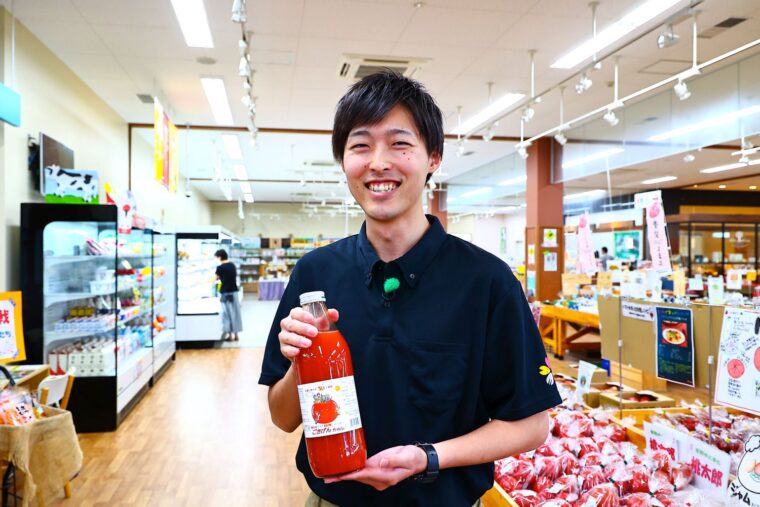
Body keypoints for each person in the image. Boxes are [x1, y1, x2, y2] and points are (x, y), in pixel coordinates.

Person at [259, 71, 561, 507]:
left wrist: (428, 458)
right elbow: (283, 417)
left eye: (399, 144)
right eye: (361, 146)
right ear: (343, 161)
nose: (379, 162)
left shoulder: (487, 282)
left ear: (433, 157)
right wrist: (300, 363)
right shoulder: (314, 275)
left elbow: (532, 425)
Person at [215, 249, 242, 341]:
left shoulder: (220, 268)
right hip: (234, 292)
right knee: (235, 313)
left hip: (225, 293)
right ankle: (236, 335)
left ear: (219, 257)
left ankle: (230, 336)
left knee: (227, 315)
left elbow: (215, 278)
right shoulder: (232, 265)